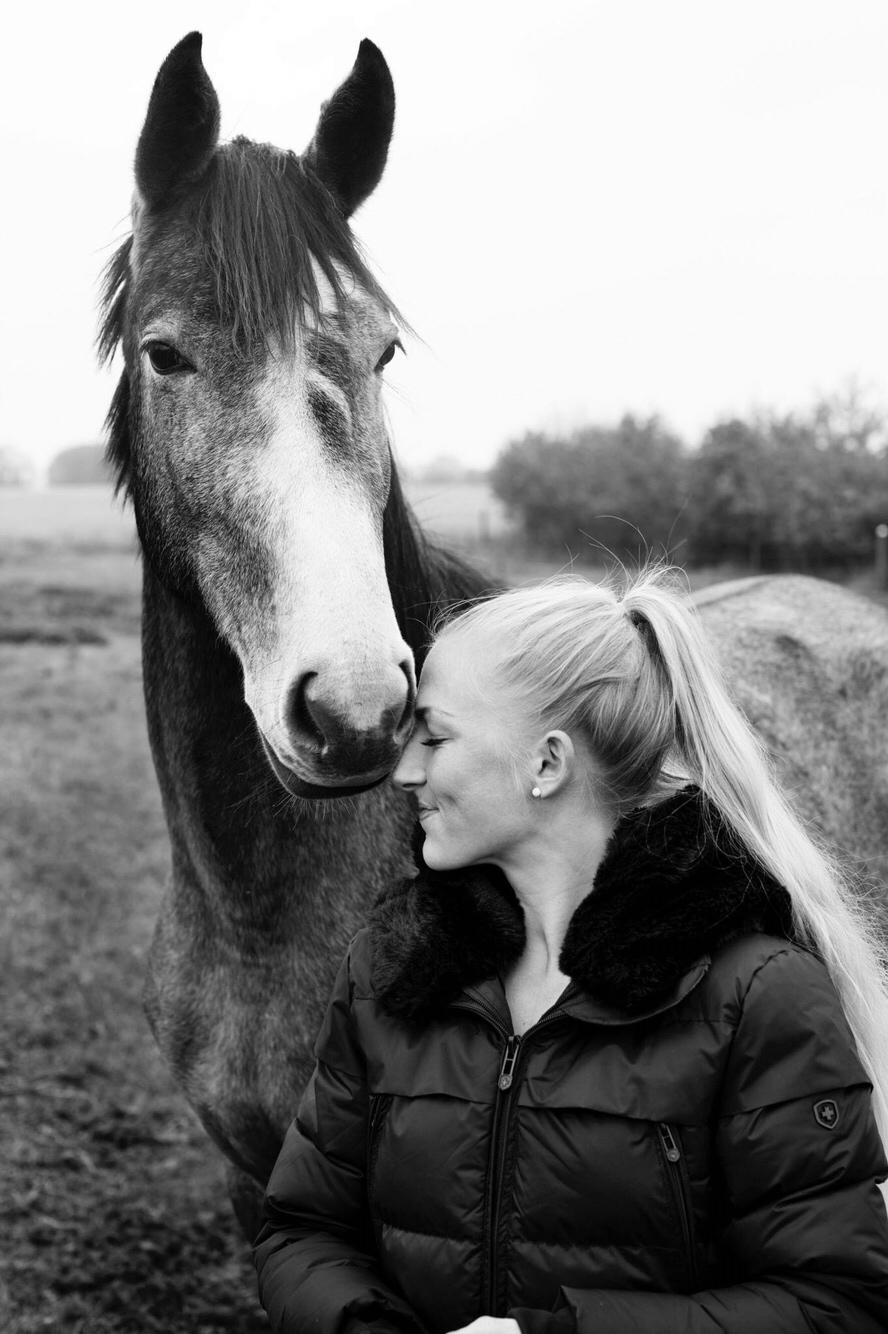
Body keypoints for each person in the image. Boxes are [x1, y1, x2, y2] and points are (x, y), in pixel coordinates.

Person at [253, 568, 888, 1333]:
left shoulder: (756, 997)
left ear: (547, 765)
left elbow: (833, 1302)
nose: (406, 769)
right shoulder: (390, 970)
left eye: (436, 735)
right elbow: (300, 1230)